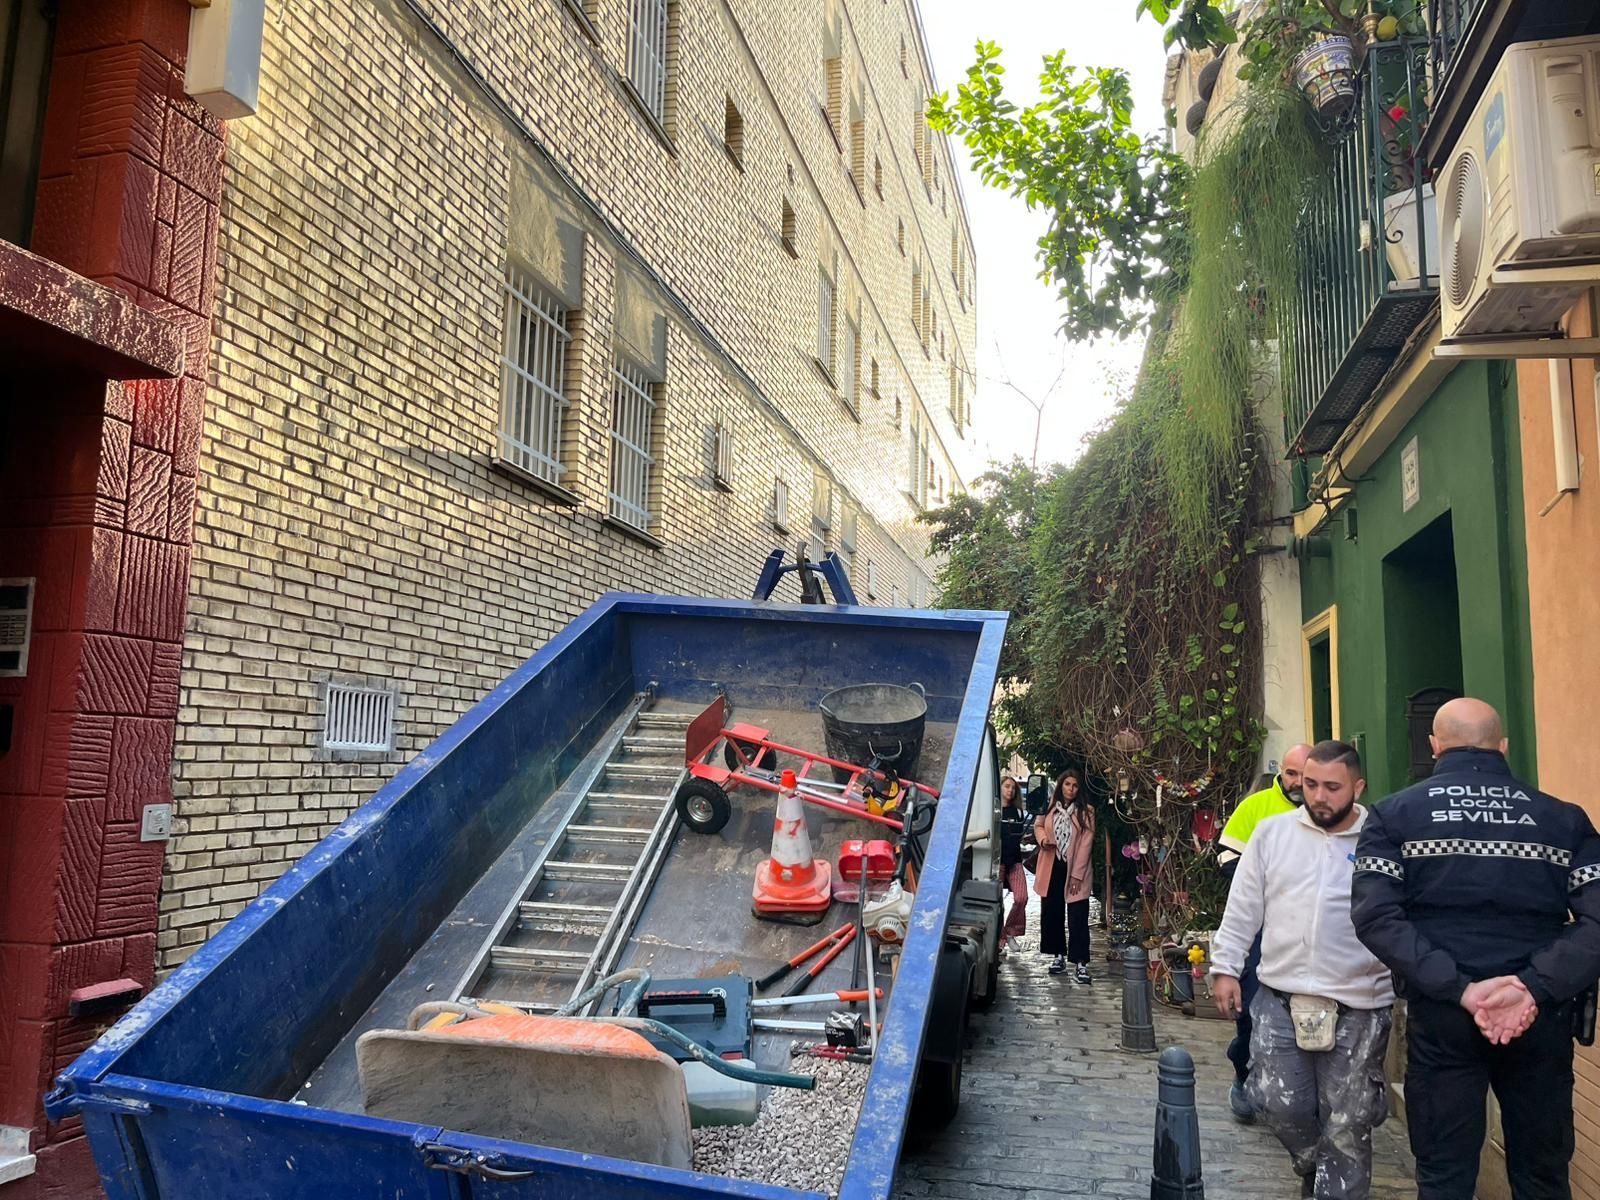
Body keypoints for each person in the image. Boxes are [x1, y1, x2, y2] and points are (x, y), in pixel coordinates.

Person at [1351, 697, 1600, 1200]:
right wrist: (1533, 988)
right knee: (1543, 1177)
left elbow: (1376, 917)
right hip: (1541, 1019)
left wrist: (1461, 989)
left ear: (1434, 746)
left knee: (1444, 1177)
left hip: (1444, 1016)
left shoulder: (1395, 816)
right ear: (1503, 746)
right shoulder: (1565, 820)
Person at [1211, 740, 1393, 1200]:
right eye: (1310, 784)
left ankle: (1335, 1185)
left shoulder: (1383, 839)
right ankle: (1315, 1162)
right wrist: (1226, 969)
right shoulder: (1272, 835)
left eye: (1332, 787)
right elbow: (1242, 909)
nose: (1318, 796)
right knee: (1276, 1102)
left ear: (1358, 787)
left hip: (1359, 1002)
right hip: (1279, 999)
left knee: (1349, 1119)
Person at [1217, 742, 1312, 1122]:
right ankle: (1244, 1071)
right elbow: (1226, 857)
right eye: (1292, 774)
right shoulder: (1256, 808)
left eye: (1305, 776)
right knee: (1253, 1008)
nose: (1298, 783)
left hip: (1309, 937)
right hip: (1262, 931)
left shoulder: (1329, 814)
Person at [1035, 768, 1095, 982]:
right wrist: (1043, 839)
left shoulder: (1086, 811)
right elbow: (1038, 825)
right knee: (1052, 912)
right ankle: (1058, 955)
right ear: (1061, 785)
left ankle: (1080, 963)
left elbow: (1086, 844)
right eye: (1067, 784)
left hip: (1076, 868)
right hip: (1052, 866)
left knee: (1078, 915)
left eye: (1075, 785)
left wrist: (1077, 874)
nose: (1070, 789)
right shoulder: (1049, 807)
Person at [999, 776, 1029, 952]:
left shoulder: (1018, 812)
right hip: (997, 860)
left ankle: (1010, 932)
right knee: (996, 903)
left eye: (1013, 788)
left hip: (1014, 859)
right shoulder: (992, 811)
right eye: (1007, 786)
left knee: (1021, 897)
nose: (1010, 790)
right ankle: (1000, 939)